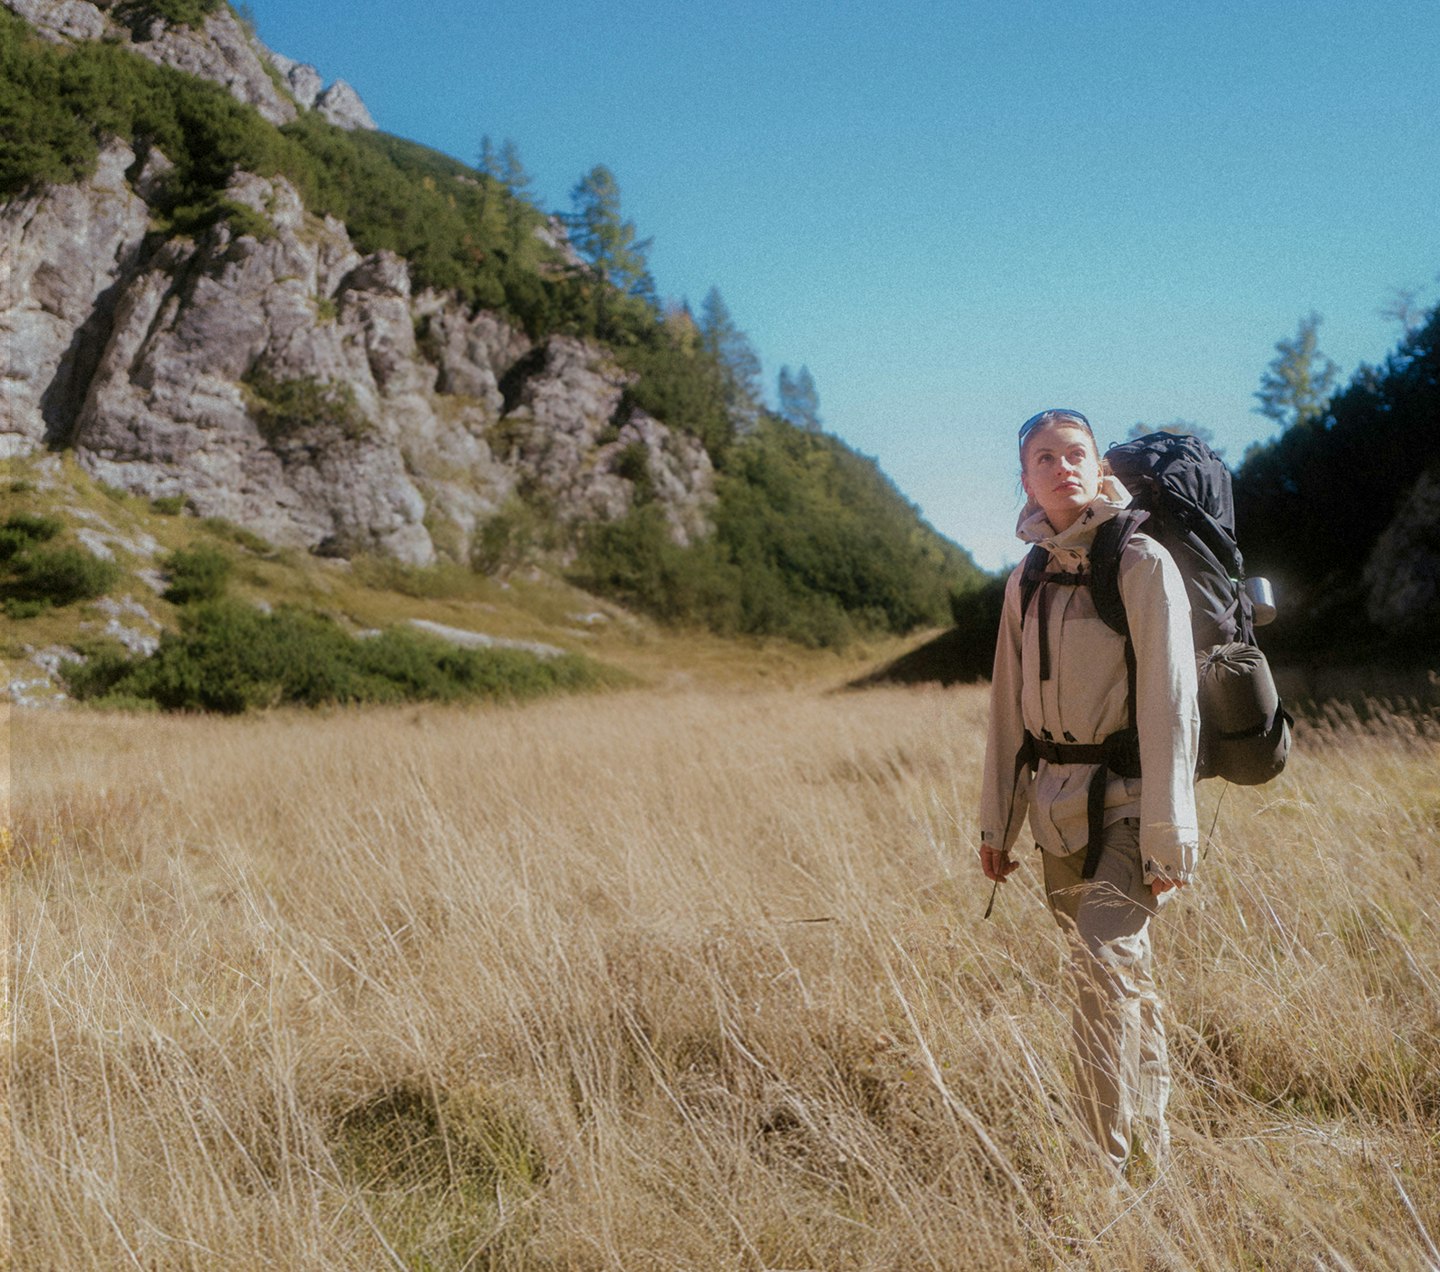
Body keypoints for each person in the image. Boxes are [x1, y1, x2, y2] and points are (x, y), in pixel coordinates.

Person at [978, 408, 1199, 1176]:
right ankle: (1153, 1159)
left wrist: (1172, 834)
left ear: (1097, 464)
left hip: (1135, 803)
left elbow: (1174, 705)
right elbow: (1008, 705)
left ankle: (1101, 1177)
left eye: (1074, 454)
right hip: (1055, 811)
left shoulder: (1140, 561)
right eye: (1044, 458)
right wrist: (995, 824)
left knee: (1101, 970)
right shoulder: (1027, 577)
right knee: (1119, 979)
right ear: (1026, 477)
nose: (1061, 467)